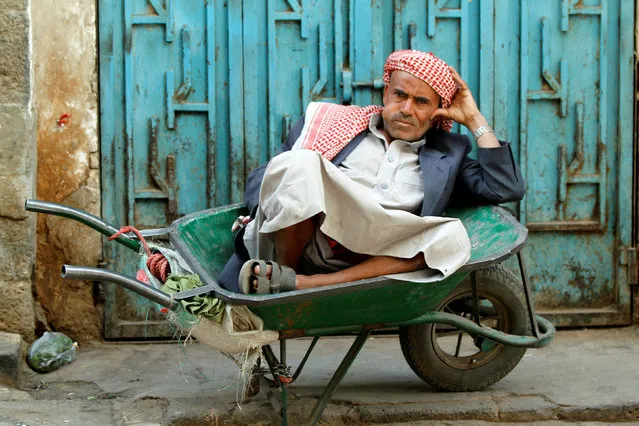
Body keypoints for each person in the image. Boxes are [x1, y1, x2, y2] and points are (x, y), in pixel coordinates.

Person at [219, 50, 525, 294]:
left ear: (437, 113)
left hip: (382, 254)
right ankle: (285, 275)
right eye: (400, 95)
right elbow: (268, 177)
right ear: (386, 95)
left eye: (421, 102)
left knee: (454, 236)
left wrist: (474, 120)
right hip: (312, 240)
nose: (406, 108)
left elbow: (504, 187)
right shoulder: (334, 124)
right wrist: (272, 208)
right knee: (299, 164)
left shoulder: (447, 155)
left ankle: (302, 286)